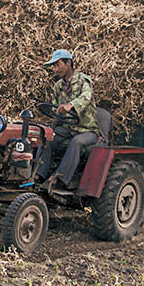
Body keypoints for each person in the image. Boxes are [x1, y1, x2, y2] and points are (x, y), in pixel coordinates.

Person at [34, 49, 100, 192]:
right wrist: (54, 114)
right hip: (67, 129)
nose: (56, 69)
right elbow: (55, 108)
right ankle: (37, 176)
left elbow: (86, 97)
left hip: (87, 130)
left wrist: (71, 106)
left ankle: (60, 179)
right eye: (54, 66)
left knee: (77, 142)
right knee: (48, 138)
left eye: (58, 65)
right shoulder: (58, 86)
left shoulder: (83, 80)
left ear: (68, 62)